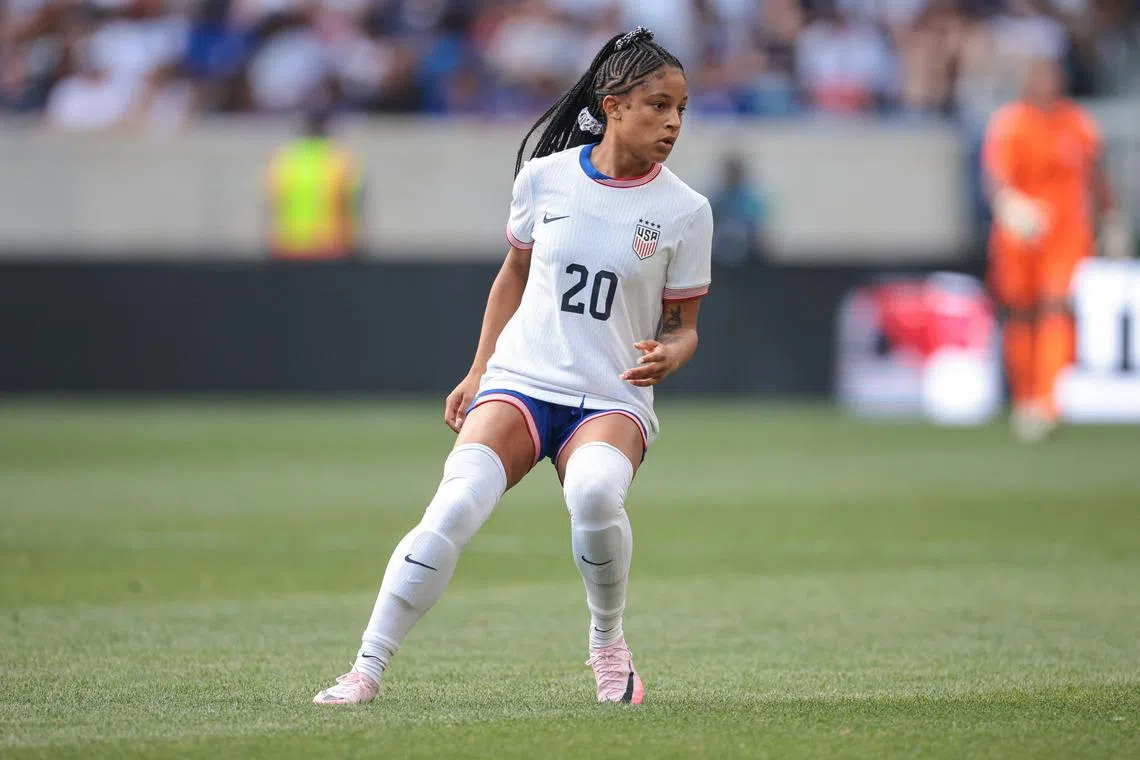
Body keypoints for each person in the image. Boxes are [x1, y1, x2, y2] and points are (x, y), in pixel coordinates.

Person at [313, 26, 712, 706]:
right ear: (613, 104)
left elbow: (685, 326)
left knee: (592, 495)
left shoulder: (686, 211)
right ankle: (365, 669)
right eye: (656, 104)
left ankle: (607, 643)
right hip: (523, 379)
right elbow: (514, 275)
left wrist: (672, 351)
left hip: (610, 395)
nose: (672, 121)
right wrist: (478, 370)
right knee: (453, 504)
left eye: (680, 107)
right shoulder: (546, 177)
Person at [982, 56, 1131, 443]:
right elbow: (995, 179)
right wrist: (1009, 204)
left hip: (1065, 235)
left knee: (1055, 308)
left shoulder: (1077, 122)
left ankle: (1047, 402)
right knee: (1021, 313)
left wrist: (1111, 217)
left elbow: (1098, 175)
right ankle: (1025, 397)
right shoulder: (1011, 123)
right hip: (1020, 234)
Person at [265, 106, 363, 260]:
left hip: (290, 246)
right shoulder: (339, 159)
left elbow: (273, 201)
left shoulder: (285, 159)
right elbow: (350, 204)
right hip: (330, 247)